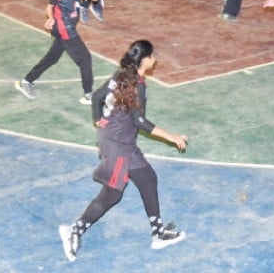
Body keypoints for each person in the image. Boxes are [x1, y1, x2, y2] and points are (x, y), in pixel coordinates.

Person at [59, 39, 188, 262]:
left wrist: (100, 122)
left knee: (147, 178)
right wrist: (172, 137)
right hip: (118, 144)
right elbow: (139, 121)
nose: (155, 59)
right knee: (113, 193)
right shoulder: (137, 84)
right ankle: (74, 231)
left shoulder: (121, 74)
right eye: (153, 55)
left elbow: (98, 97)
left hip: (118, 140)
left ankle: (157, 233)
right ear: (145, 59)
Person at [15, 0, 98, 105]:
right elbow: (49, 6)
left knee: (52, 57)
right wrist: (52, 18)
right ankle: (89, 94)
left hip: (69, 24)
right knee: (85, 58)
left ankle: (26, 82)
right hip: (63, 26)